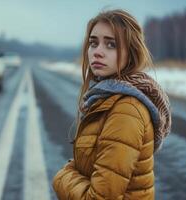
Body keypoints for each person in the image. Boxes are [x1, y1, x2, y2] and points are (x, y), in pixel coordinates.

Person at [52, 9, 171, 200]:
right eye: (93, 43)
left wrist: (61, 177)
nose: (97, 52)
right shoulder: (107, 98)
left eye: (111, 44)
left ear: (131, 52)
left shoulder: (126, 110)